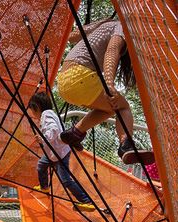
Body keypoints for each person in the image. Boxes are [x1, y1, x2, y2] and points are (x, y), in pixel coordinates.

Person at [57, 18, 154, 165]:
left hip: (64, 83)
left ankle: (75, 133)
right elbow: (112, 49)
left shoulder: (105, 26)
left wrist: (101, 21)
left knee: (109, 108)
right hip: (80, 75)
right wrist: (109, 83)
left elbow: (72, 37)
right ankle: (126, 145)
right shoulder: (123, 25)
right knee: (123, 107)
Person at [28, 91, 95, 212]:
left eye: (32, 111)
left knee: (66, 180)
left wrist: (43, 138)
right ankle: (44, 187)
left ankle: (87, 201)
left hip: (59, 154)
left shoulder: (46, 115)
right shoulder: (50, 114)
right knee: (41, 166)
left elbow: (53, 129)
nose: (33, 115)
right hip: (53, 153)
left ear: (36, 107)